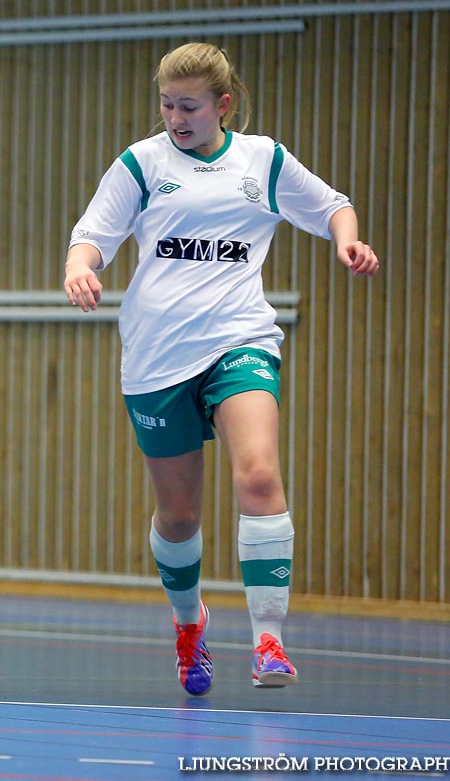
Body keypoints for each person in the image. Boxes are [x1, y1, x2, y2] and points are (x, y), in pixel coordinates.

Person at [63, 43, 380, 696]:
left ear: (222, 104)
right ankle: (189, 623)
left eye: (189, 106)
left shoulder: (261, 160)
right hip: (157, 355)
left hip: (239, 338)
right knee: (178, 517)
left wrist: (346, 238)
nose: (175, 116)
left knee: (259, 476)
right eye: (167, 104)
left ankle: (268, 639)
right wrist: (80, 266)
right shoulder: (143, 163)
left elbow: (332, 204)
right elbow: (92, 233)